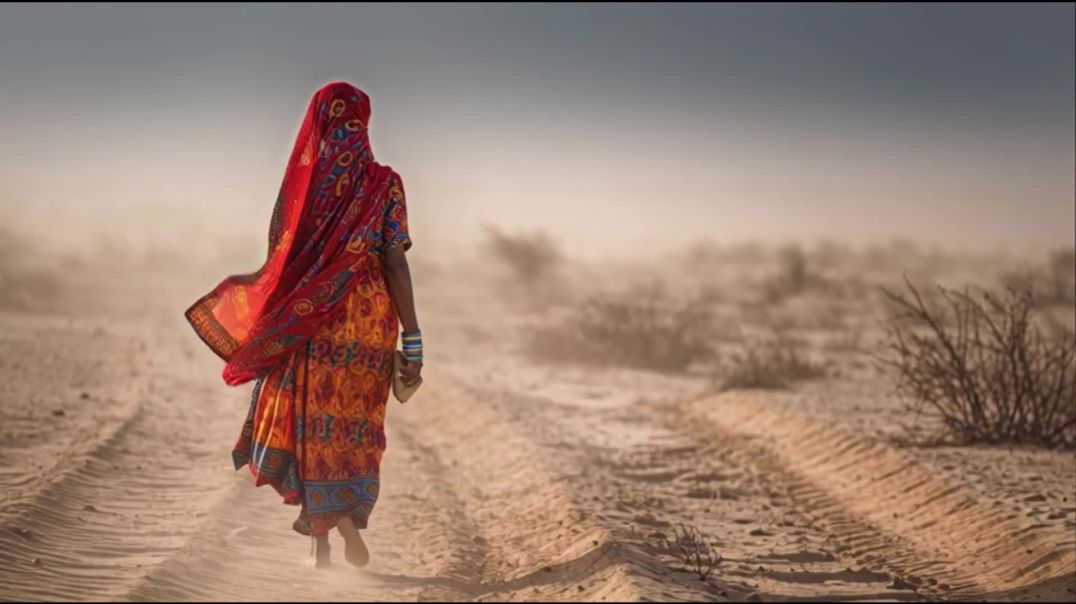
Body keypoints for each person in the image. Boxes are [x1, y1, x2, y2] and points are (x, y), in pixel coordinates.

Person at [184, 81, 423, 568]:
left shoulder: (306, 185)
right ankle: (344, 519)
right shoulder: (385, 184)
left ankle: (323, 537)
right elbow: (395, 262)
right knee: (355, 427)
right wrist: (413, 339)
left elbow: (285, 258)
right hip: (369, 323)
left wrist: (278, 318)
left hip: (313, 318)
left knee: (311, 424)